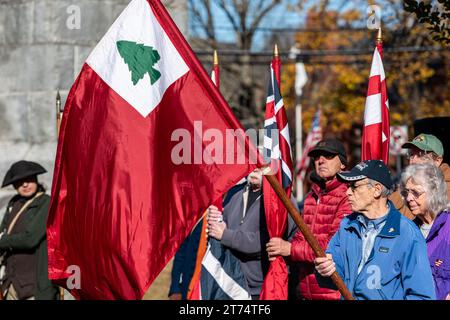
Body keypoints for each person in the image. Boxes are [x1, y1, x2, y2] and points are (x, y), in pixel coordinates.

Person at [314, 160, 436, 300]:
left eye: (355, 186)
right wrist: (325, 271)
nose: (348, 192)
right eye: (348, 186)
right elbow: (335, 277)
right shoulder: (347, 226)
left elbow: (422, 295)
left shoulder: (407, 233)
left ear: (377, 190)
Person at [265, 138, 352, 300]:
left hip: (333, 292)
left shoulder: (348, 195)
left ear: (343, 164)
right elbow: (300, 236)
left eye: (328, 155)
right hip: (306, 290)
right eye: (317, 157)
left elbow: (332, 248)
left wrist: (290, 249)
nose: (320, 160)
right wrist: (282, 250)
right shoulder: (312, 196)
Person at [207, 168, 298, 300]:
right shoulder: (236, 197)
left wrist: (225, 235)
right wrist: (215, 218)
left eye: (262, 165)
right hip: (234, 285)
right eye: (253, 163)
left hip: (266, 288)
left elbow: (264, 242)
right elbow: (221, 227)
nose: (256, 168)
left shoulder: (281, 201)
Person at [0, 160, 59, 300]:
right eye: (19, 181)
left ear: (36, 179)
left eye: (29, 179)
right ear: (14, 185)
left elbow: (30, 239)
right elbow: (3, 230)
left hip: (36, 286)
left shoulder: (46, 202)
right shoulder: (13, 203)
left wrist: (3, 240)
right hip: (11, 283)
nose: (25, 184)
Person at [400, 163, 450, 300]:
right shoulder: (407, 232)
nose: (409, 198)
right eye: (406, 192)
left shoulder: (448, 228)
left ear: (434, 192)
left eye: (415, 192)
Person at [390, 134, 450, 219]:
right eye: (411, 154)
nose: (413, 161)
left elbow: (426, 224)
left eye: (420, 155)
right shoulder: (406, 184)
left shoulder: (445, 188)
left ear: (437, 161)